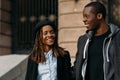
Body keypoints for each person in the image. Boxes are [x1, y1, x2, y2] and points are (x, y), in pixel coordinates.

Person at [73, 1, 120, 80]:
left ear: (99, 16)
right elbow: (77, 68)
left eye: (86, 16)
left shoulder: (117, 37)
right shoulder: (83, 40)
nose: (84, 20)